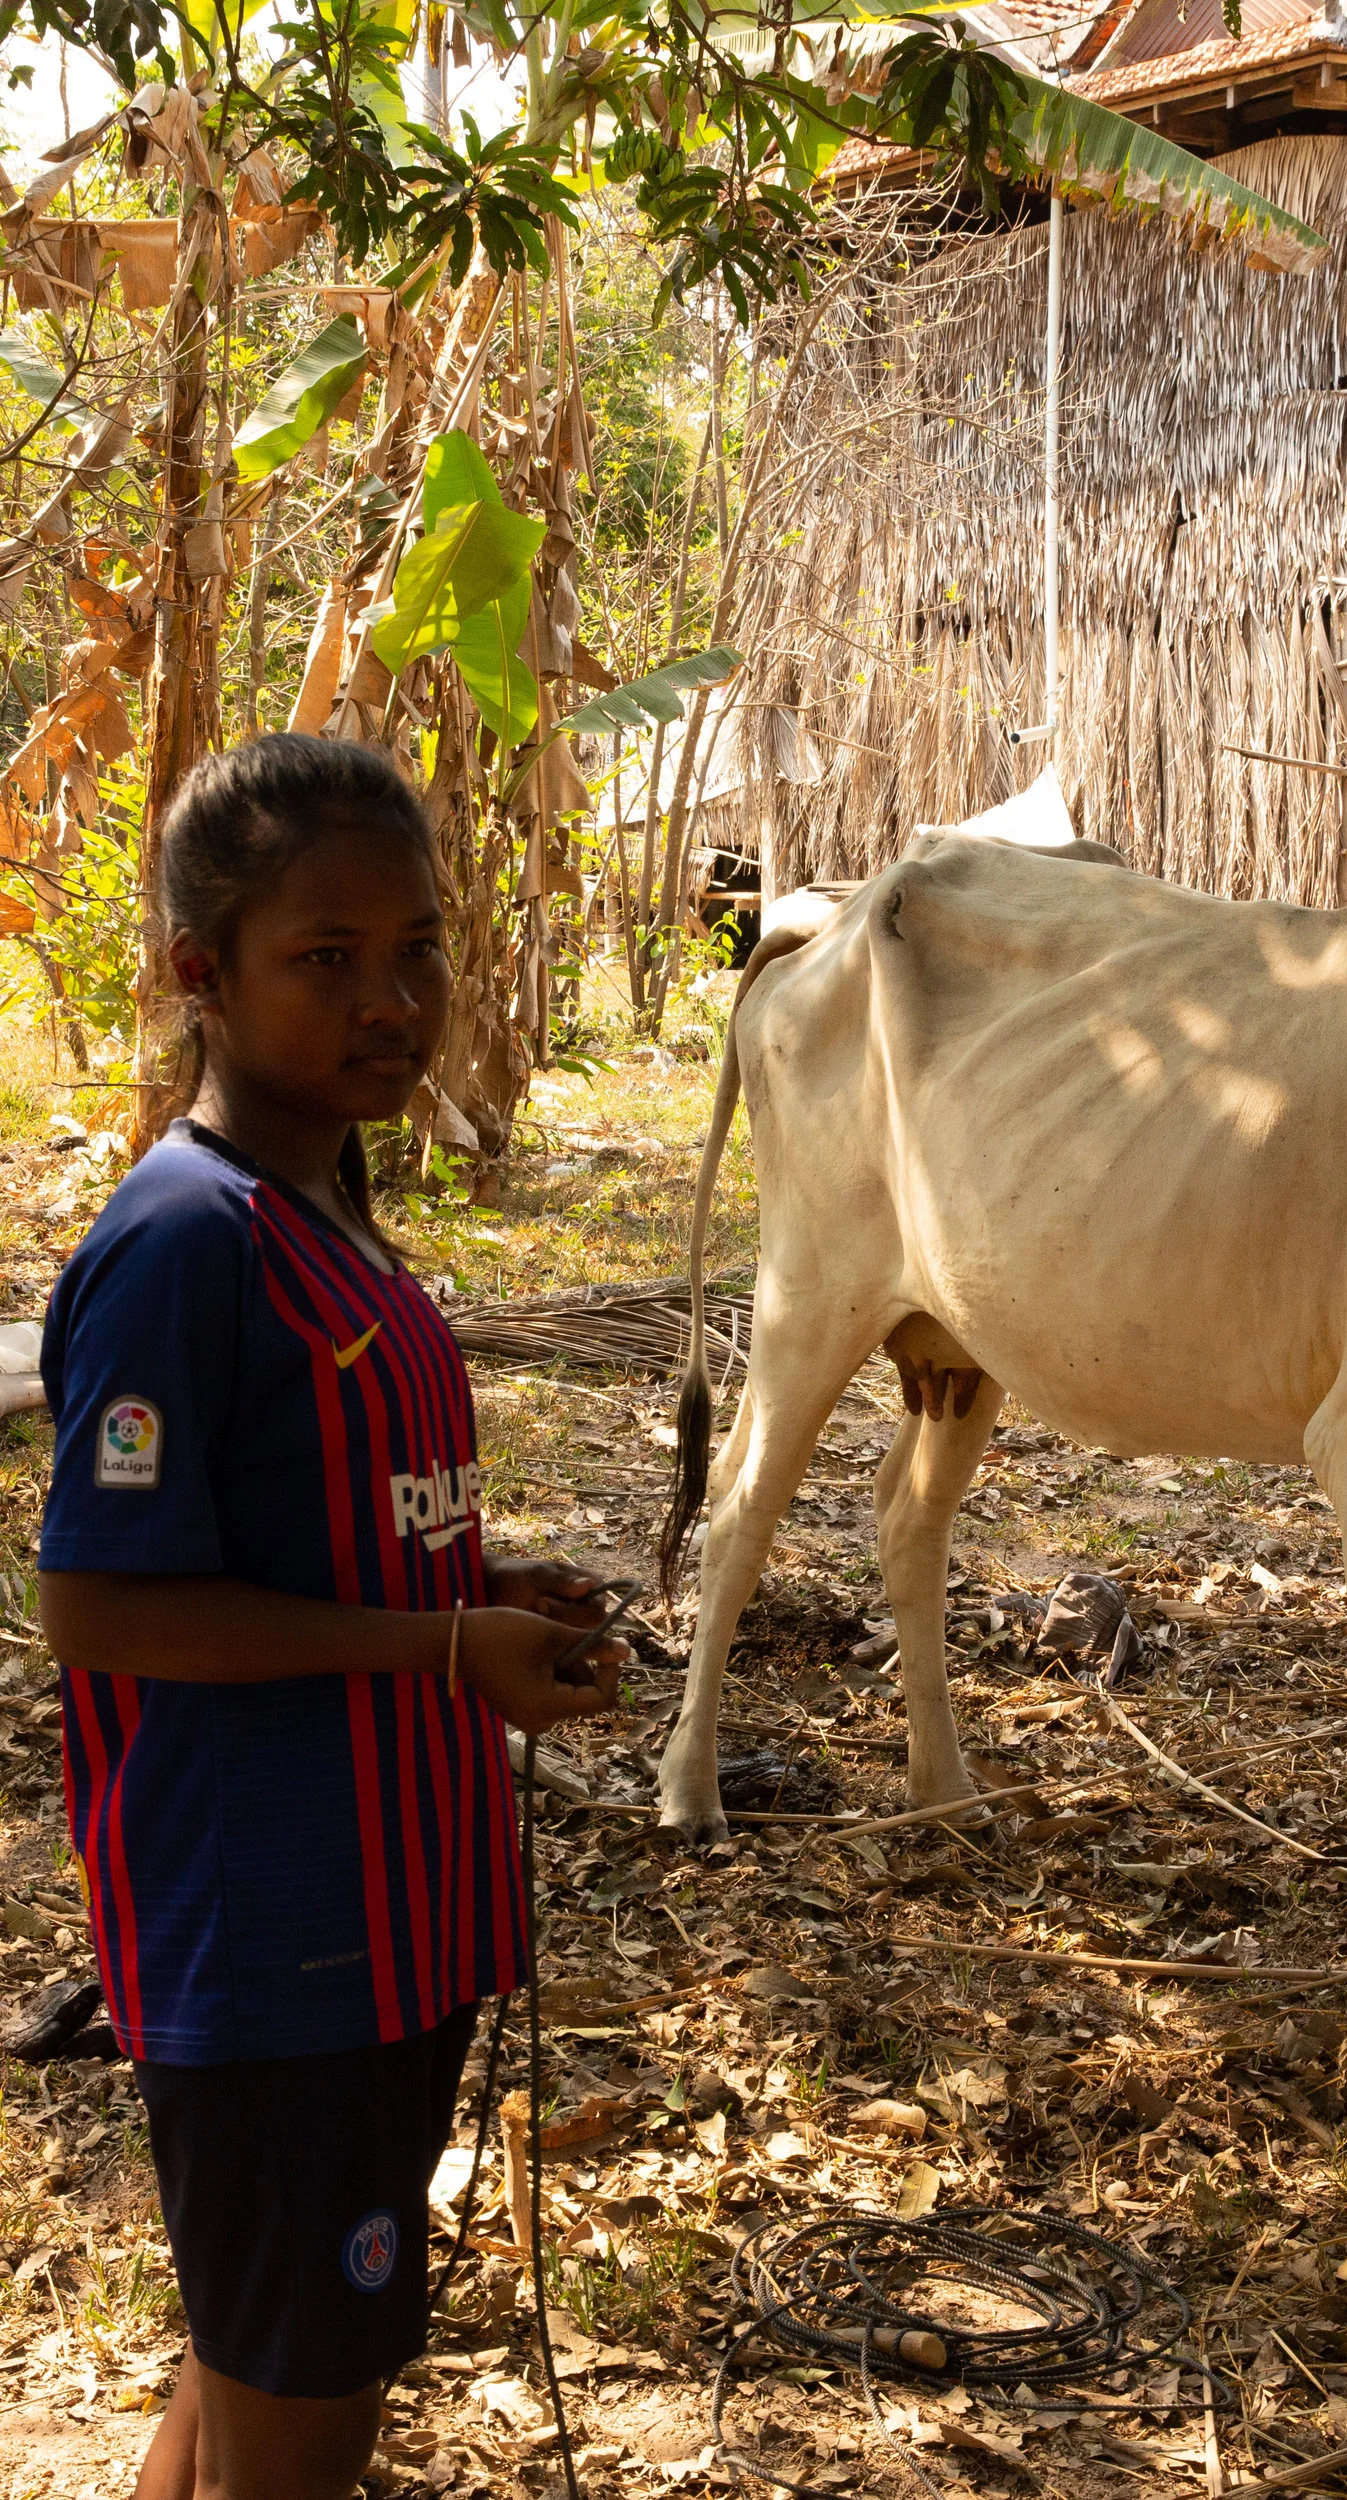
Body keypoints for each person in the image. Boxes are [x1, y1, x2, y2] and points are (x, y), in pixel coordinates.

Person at [35, 737, 630, 2500]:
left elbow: (310, 1532)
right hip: (279, 1941)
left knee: (253, 2363)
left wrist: (473, 1588)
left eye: (418, 948)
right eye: (327, 957)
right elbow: (97, 1600)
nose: (394, 999)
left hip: (389, 1922)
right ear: (199, 974)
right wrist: (441, 1650)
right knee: (301, 2424)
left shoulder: (326, 1208)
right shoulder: (182, 1246)